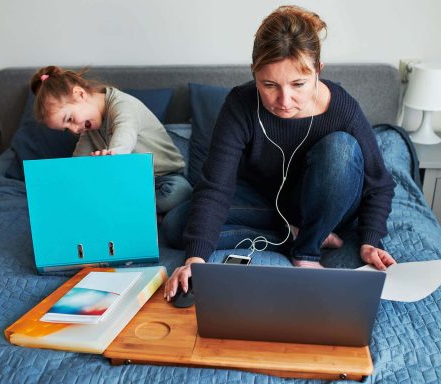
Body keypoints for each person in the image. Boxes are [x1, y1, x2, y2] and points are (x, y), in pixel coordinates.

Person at [164, 5, 396, 301]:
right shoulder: (240, 105)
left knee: (341, 149)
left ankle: (307, 248)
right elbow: (215, 186)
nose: (284, 101)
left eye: (298, 84)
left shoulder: (343, 108)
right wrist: (195, 261)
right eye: (269, 85)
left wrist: (369, 240)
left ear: (318, 71)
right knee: (176, 227)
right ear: (254, 74)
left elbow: (379, 183)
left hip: (327, 203)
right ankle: (291, 234)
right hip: (268, 204)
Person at [30, 66, 192, 215]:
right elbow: (77, 165)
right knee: (90, 193)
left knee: (177, 192)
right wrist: (60, 185)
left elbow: (126, 131)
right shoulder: (89, 129)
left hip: (164, 178)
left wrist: (114, 155)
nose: (73, 129)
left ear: (80, 94)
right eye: (66, 129)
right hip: (132, 186)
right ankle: (141, 214)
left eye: (70, 119)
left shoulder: (122, 105)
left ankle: (130, 212)